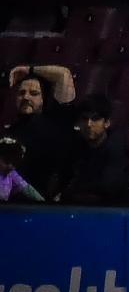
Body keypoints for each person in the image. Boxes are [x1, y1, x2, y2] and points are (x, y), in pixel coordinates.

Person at [4, 67, 75, 198]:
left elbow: (64, 75)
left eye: (34, 93)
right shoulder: (8, 133)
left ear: (43, 99)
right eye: (21, 93)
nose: (25, 97)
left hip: (41, 205)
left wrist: (29, 69)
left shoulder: (56, 124)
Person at [59, 95, 129, 205]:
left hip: (118, 209)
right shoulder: (75, 146)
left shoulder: (116, 148)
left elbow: (107, 187)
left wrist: (73, 190)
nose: (89, 124)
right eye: (85, 118)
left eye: (95, 119)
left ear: (107, 123)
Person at [0, 137, 44, 203]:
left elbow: (29, 191)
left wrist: (46, 204)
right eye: (6, 161)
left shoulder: (12, 174)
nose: (10, 167)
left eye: (14, 163)